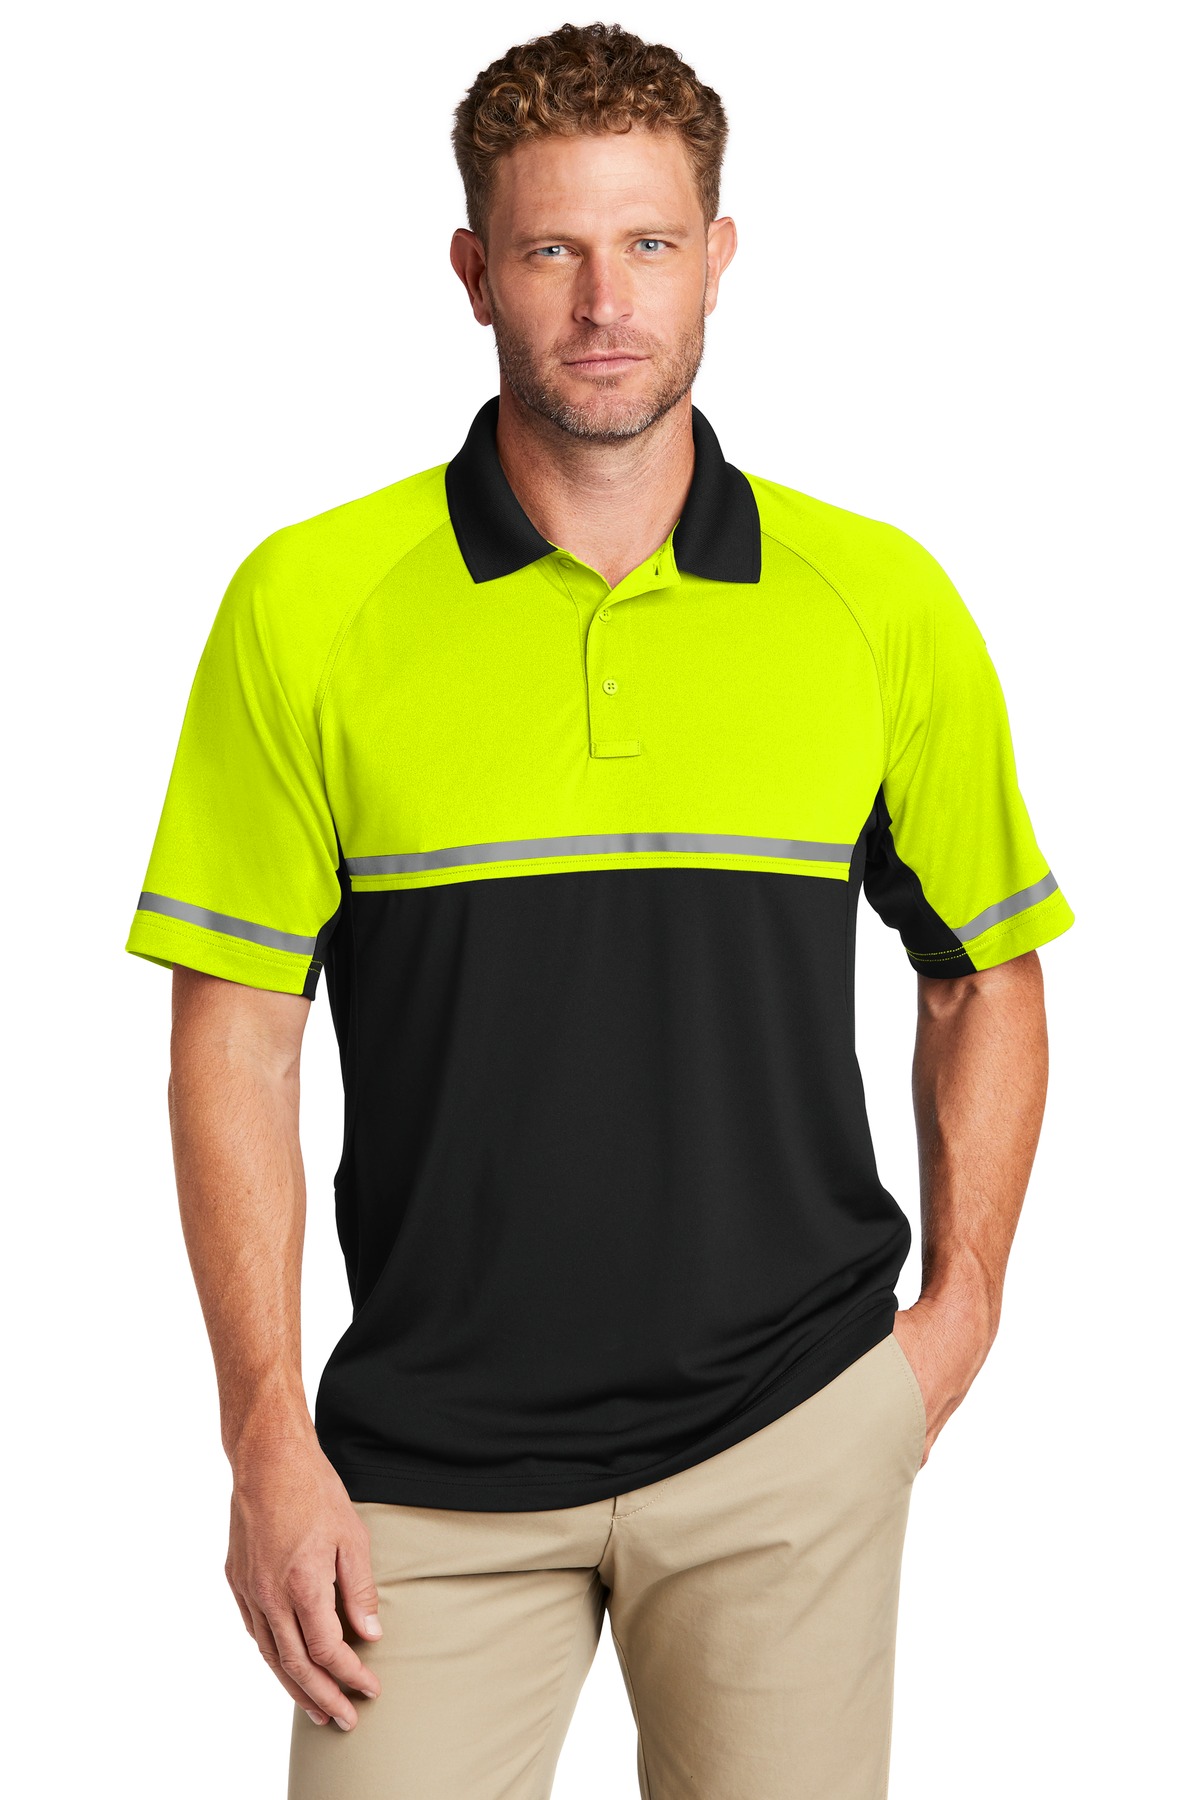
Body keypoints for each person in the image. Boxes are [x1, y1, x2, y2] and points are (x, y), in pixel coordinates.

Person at [124, 20, 1075, 1800]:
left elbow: (983, 974)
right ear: (472, 271)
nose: (605, 302)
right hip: (421, 1474)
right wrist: (263, 1435)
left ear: (721, 256)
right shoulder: (307, 605)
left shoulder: (878, 601)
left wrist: (955, 1328)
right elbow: (235, 1041)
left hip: (791, 1440)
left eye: (649, 242)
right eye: (551, 248)